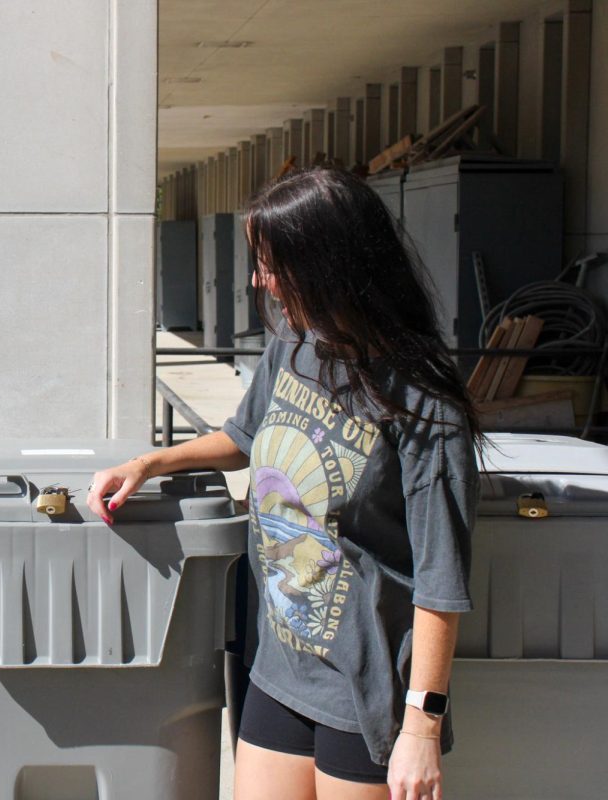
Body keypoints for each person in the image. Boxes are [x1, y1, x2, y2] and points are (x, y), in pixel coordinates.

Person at [87, 168, 480, 800]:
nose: (257, 280)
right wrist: (149, 463)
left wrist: (421, 729)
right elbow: (243, 438)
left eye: (272, 263)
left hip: (367, 690)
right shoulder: (296, 345)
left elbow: (440, 585)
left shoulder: (423, 403)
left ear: (328, 263)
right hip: (279, 665)